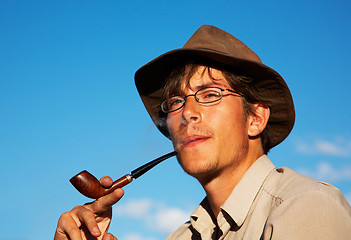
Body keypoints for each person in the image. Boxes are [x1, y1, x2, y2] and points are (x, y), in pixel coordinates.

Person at [54, 25, 351, 240]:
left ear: (256, 119)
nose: (187, 113)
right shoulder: (181, 237)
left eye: (210, 94)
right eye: (175, 102)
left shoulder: (306, 206)